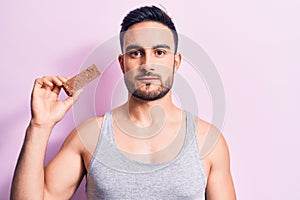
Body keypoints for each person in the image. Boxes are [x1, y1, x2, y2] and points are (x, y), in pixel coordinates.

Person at [11, 5, 236, 200]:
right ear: (122, 63)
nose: (148, 64)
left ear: (176, 62)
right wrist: (39, 127)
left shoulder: (208, 140)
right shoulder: (90, 136)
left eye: (159, 52)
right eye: (136, 53)